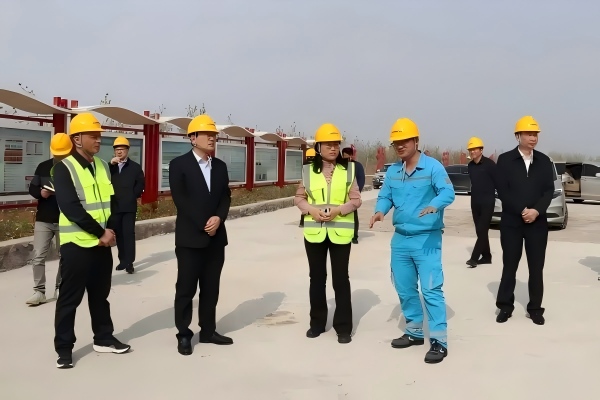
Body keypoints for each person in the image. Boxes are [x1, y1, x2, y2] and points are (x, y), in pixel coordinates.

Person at [370, 118, 455, 364]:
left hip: (426, 239)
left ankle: (439, 342)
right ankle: (414, 331)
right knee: (404, 288)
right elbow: (385, 196)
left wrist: (434, 205)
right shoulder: (393, 172)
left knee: (431, 289)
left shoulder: (433, 167)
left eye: (405, 141)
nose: (400, 146)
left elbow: (447, 192)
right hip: (401, 240)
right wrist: (380, 211)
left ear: (416, 141)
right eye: (396, 142)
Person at [53, 113, 131, 369]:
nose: (99, 140)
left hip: (102, 244)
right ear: (77, 139)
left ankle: (104, 338)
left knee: (100, 296)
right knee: (69, 299)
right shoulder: (63, 168)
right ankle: (64, 349)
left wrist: (109, 231)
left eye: (99, 136)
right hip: (77, 244)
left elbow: (111, 202)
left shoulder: (102, 165)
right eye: (93, 136)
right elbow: (71, 208)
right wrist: (100, 234)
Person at [169, 114, 232, 356]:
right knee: (186, 288)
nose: (212, 139)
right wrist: (204, 223)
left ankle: (208, 331)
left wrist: (219, 218)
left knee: (211, 288)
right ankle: (184, 334)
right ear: (193, 138)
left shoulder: (220, 167)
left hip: (216, 238)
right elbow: (181, 199)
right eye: (207, 134)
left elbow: (225, 197)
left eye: (214, 135)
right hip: (190, 238)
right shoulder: (179, 165)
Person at [294, 123, 361, 344]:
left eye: (336, 144)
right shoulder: (307, 171)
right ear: (318, 147)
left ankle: (343, 327)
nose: (333, 148)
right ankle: (317, 323)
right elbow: (299, 198)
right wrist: (311, 211)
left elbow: (356, 200)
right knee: (316, 278)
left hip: (340, 233)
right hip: (315, 233)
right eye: (328, 145)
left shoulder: (348, 170)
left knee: (341, 279)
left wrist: (338, 211)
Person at [495, 116, 554, 326]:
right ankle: (505, 306)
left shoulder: (544, 161)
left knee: (536, 267)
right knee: (510, 265)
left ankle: (535, 308)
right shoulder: (505, 160)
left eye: (535, 134)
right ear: (518, 136)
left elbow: (549, 190)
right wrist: (522, 210)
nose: (533, 138)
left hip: (537, 224)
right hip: (512, 222)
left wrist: (536, 211)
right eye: (529, 134)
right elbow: (503, 190)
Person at [26, 133, 72, 305]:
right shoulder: (43, 167)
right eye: (57, 153)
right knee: (38, 255)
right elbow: (32, 189)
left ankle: (60, 287)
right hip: (44, 219)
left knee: (64, 256)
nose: (60, 157)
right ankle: (39, 291)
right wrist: (41, 193)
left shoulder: (74, 169)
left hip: (66, 219)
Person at [108, 136, 145, 274]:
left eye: (122, 149)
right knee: (118, 234)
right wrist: (110, 165)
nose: (119, 152)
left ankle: (130, 262)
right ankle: (122, 260)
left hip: (129, 207)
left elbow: (140, 184)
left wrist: (132, 196)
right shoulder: (110, 167)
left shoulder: (135, 167)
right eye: (117, 149)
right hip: (114, 206)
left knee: (128, 234)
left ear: (127, 150)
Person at [465, 137, 498, 268]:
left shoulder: (490, 165)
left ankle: (474, 258)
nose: (472, 151)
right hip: (475, 201)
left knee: (483, 229)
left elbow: (498, 181)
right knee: (479, 231)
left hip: (488, 202)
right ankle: (487, 256)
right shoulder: (470, 166)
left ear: (481, 150)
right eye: (470, 149)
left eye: (475, 149)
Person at [342, 147, 365, 244]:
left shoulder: (357, 166)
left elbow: (361, 180)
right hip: (341, 196)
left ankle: (355, 236)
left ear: (351, 155)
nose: (346, 158)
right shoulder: (339, 165)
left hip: (352, 196)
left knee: (353, 215)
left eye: (347, 156)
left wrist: (355, 194)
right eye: (344, 156)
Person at [299, 148, 316, 228]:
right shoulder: (315, 165)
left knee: (305, 204)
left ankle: (302, 222)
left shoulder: (304, 164)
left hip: (305, 186)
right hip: (314, 187)